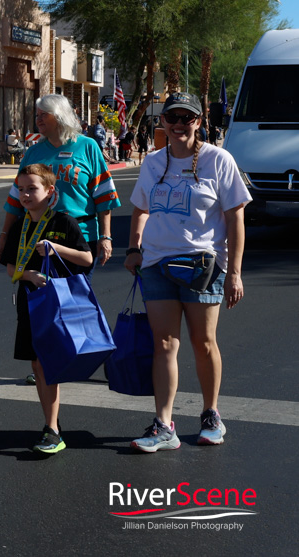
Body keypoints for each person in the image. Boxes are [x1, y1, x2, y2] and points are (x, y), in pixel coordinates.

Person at [123, 92, 250, 453]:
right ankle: (164, 425)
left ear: (199, 121)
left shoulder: (218, 160)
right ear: (161, 121)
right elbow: (140, 210)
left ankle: (211, 414)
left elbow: (235, 217)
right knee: (164, 343)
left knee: (203, 342)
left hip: (203, 265)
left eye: (187, 118)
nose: (179, 124)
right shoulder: (152, 162)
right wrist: (134, 248)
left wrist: (234, 273)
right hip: (157, 264)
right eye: (172, 117)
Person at [1, 165, 93, 454]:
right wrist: (27, 275)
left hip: (60, 304)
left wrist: (55, 248)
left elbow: (87, 259)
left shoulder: (65, 222)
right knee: (38, 364)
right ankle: (51, 425)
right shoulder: (20, 225)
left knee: (49, 363)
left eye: (32, 189)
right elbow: (10, 268)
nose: (25, 195)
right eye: (22, 189)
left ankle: (52, 428)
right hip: (31, 302)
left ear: (50, 191)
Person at [0, 94, 119, 276]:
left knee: (74, 297)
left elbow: (104, 196)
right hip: (35, 238)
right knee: (37, 296)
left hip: (79, 237)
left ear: (60, 115)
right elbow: (16, 198)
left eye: (44, 114)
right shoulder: (33, 153)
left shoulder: (87, 147)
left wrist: (105, 237)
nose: (38, 120)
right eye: (37, 115)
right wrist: (4, 236)